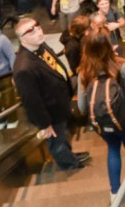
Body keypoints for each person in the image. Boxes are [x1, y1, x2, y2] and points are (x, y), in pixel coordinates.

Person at [78, 28, 125, 201]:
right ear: (109, 46)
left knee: (113, 149)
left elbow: (82, 106)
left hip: (102, 123)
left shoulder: (83, 72)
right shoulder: (120, 66)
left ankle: (115, 192)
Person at [13, 17, 89, 170]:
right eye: (30, 31)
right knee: (56, 140)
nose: (38, 31)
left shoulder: (40, 46)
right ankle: (69, 164)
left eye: (37, 26)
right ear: (22, 39)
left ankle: (70, 155)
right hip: (50, 114)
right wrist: (45, 124)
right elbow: (31, 101)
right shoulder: (24, 68)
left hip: (59, 104)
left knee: (62, 135)